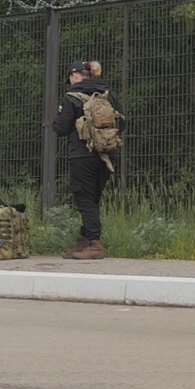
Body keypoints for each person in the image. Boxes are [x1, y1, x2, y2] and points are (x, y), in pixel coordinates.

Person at [52, 60, 121, 260]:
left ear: (74, 76)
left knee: (84, 198)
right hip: (108, 154)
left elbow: (61, 128)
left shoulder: (71, 97)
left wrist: (57, 122)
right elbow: (122, 123)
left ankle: (95, 244)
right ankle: (83, 241)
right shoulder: (108, 94)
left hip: (82, 155)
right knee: (92, 199)